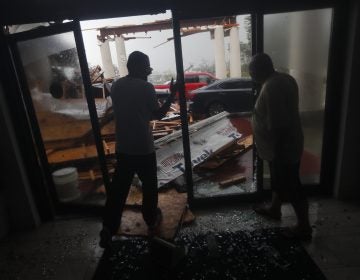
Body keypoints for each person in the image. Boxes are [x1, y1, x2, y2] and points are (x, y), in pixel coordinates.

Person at [99, 51, 177, 248]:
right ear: (140, 68)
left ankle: (108, 227)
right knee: (149, 187)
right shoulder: (146, 87)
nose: (148, 72)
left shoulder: (116, 86)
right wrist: (172, 95)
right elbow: (157, 114)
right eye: (147, 68)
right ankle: (150, 220)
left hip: (123, 148)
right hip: (143, 149)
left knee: (118, 190)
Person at [249, 53, 312, 241]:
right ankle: (275, 209)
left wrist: (277, 153)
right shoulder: (284, 79)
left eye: (252, 70)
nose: (251, 74)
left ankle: (304, 226)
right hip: (287, 143)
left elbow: (278, 125)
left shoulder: (271, 87)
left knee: (292, 185)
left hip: (281, 147)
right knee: (280, 180)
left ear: (260, 70)